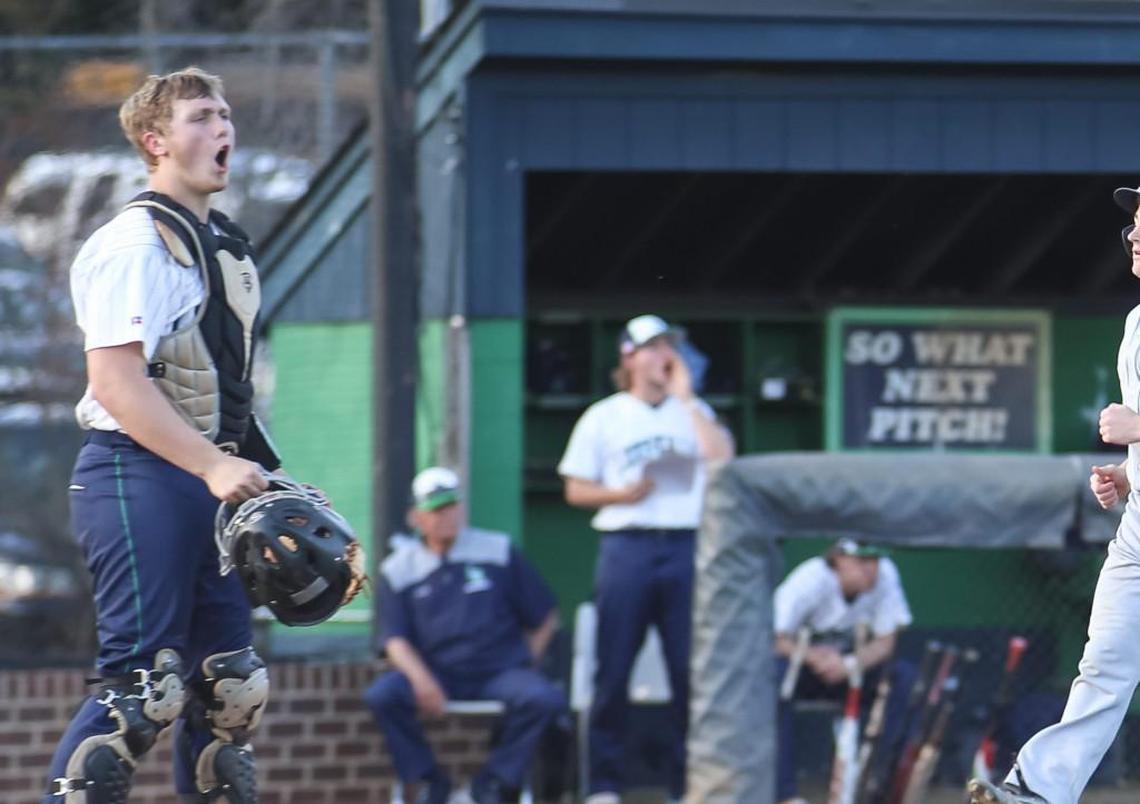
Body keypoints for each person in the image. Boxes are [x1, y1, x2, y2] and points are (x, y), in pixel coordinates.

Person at [44, 67, 280, 803]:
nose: (224, 129)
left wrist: (271, 476)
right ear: (155, 141)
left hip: (201, 478)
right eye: (203, 117)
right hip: (133, 473)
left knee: (231, 690)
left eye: (227, 114)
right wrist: (212, 467)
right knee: (143, 690)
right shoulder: (134, 242)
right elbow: (118, 383)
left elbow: (218, 391)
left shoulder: (222, 246)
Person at [969, 185, 1140, 803]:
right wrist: (1130, 471)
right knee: (1102, 669)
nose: (1135, 236)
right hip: (1139, 533)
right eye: (1134, 226)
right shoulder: (1136, 321)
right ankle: (1038, 791)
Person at [558, 314, 735, 804]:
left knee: (687, 670)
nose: (664, 356)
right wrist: (621, 494)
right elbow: (574, 487)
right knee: (612, 669)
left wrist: (687, 395)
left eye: (669, 347)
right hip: (627, 546)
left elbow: (722, 460)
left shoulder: (691, 410)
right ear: (629, 356)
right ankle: (605, 786)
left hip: (685, 545)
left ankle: (685, 786)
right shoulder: (605, 415)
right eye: (653, 347)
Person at [364, 467, 567, 804]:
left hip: (498, 671)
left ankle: (494, 783)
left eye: (452, 506)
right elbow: (394, 639)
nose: (447, 516)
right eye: (437, 510)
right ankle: (429, 781)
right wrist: (422, 680)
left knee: (543, 699)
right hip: (435, 673)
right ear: (417, 517)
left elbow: (544, 613)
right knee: (383, 696)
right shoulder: (398, 569)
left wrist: (527, 659)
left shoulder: (497, 550)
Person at [773, 539, 915, 804]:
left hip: (851, 670)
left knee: (902, 677)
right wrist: (814, 657)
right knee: (773, 679)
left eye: (874, 560)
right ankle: (785, 794)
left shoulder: (886, 575)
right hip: (804, 669)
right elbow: (775, 638)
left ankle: (879, 787)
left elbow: (886, 642)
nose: (871, 569)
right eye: (862, 561)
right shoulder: (809, 579)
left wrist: (848, 664)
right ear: (839, 559)